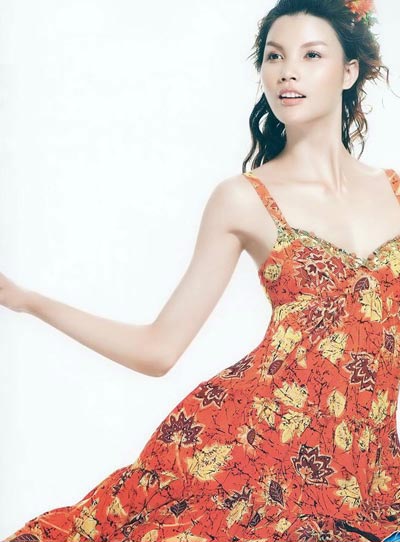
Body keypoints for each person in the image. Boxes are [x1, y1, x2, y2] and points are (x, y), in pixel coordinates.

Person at [2, 0, 400, 540]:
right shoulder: (243, 199)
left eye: (311, 55)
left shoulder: (394, 192)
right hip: (253, 461)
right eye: (275, 56)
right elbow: (158, 350)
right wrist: (26, 300)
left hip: (369, 473)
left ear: (349, 72)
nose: (288, 71)